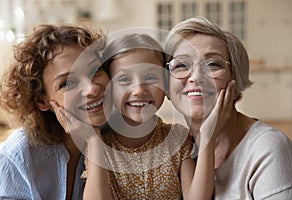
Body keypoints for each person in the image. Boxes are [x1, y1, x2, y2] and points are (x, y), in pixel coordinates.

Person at [79, 33, 234, 200]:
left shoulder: (177, 138)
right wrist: (95, 143)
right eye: (124, 79)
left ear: (166, 85)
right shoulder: (99, 147)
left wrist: (208, 136)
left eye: (151, 77)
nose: (139, 90)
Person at [165, 16, 292, 199]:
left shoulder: (267, 148)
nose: (196, 76)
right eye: (181, 65)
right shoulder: (178, 150)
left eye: (212, 64)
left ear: (235, 81)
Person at [0, 24, 110, 200]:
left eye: (95, 70)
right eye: (67, 83)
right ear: (42, 101)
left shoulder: (126, 140)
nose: (92, 88)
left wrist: (95, 143)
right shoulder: (18, 156)